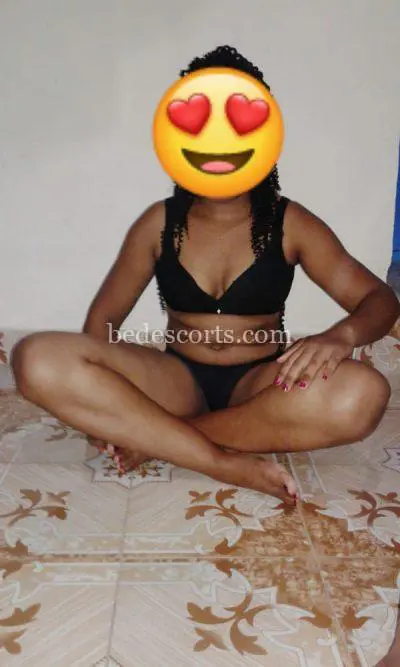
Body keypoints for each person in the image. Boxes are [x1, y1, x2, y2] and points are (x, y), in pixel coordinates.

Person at [10, 45, 399, 504]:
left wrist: (340, 336)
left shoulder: (291, 223)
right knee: (34, 358)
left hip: (260, 386)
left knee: (363, 394)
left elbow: (380, 301)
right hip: (175, 381)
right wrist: (100, 396)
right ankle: (220, 460)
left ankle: (160, 439)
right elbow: (103, 322)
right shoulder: (157, 224)